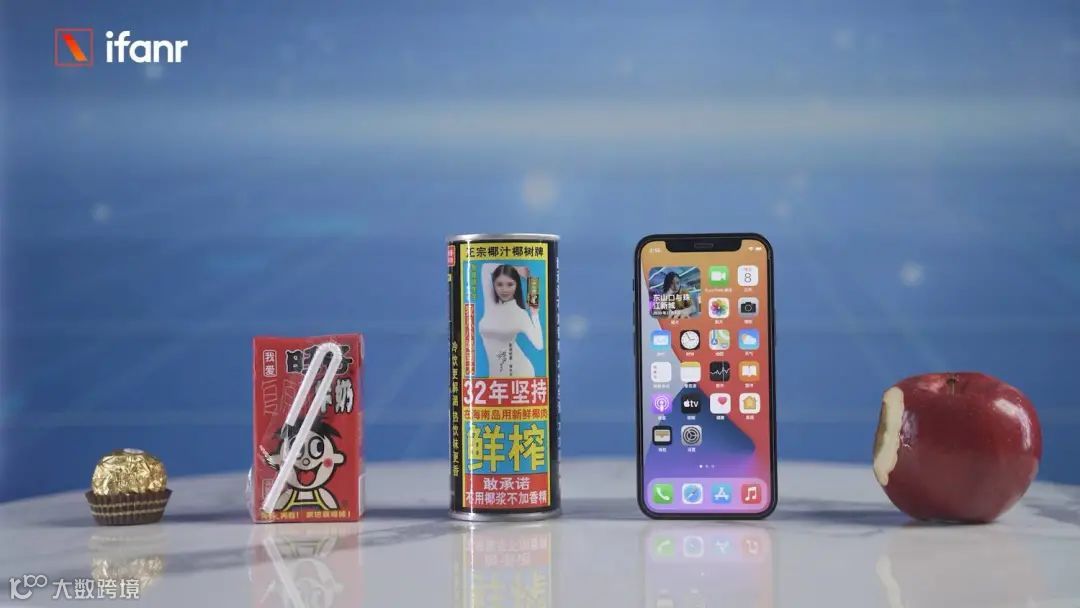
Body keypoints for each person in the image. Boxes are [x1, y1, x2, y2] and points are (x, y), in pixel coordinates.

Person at [478, 264, 543, 377]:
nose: (504, 289)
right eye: (499, 284)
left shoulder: (520, 314)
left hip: (519, 372)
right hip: (496, 372)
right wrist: (517, 269)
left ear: (517, 285)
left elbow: (539, 344)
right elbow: (486, 268)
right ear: (494, 284)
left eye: (510, 284)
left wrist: (534, 314)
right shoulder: (491, 304)